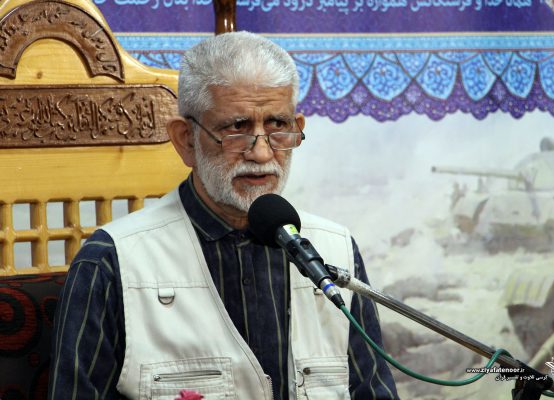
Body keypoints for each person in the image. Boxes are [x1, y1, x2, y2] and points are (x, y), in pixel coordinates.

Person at [49, 31, 399, 400]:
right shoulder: (112, 261)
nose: (262, 154)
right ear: (185, 139)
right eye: (236, 128)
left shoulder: (334, 249)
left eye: (278, 126)